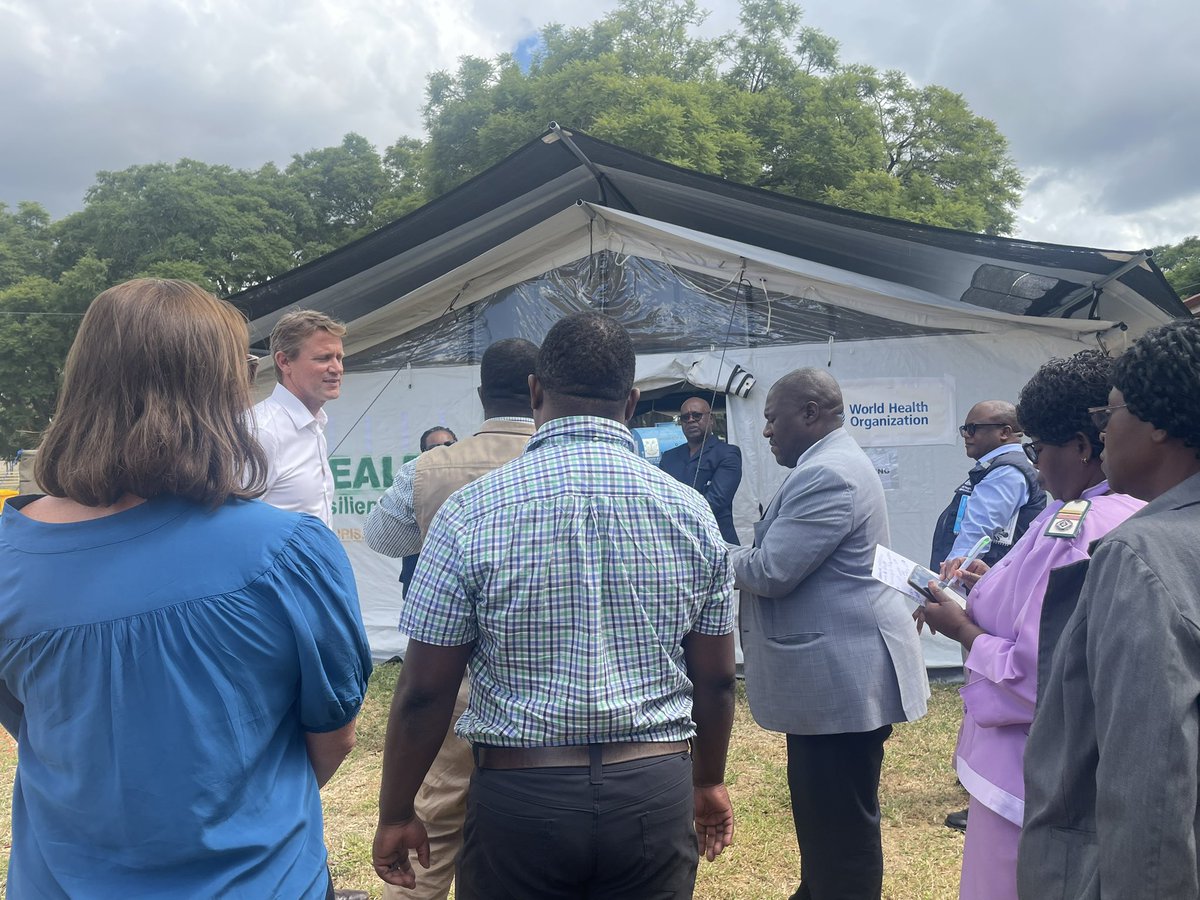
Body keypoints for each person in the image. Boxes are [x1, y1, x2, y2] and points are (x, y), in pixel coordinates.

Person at [0, 279, 372, 898]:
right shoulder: (289, 552)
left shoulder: (9, 555)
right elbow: (332, 736)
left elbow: (36, 725)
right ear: (219, 393)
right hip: (257, 880)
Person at [372, 312, 736, 898]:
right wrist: (708, 781)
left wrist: (395, 813)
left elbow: (424, 690)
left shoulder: (471, 511)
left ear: (537, 391)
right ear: (632, 401)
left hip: (520, 798)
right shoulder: (690, 512)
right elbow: (717, 681)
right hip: (652, 788)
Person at [916, 350, 1143, 900]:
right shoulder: (1080, 506)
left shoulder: (1084, 527)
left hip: (1031, 777)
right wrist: (994, 577)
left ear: (1085, 447)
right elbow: (1037, 590)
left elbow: (1042, 675)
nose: (1034, 467)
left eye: (1038, 450)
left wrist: (964, 632)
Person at [730, 367, 929, 900]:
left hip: (838, 683)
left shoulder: (828, 474)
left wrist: (711, 551)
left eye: (773, 419)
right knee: (827, 820)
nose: (768, 432)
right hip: (836, 680)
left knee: (840, 828)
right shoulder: (828, 463)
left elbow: (772, 571)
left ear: (810, 413)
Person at [1018, 319, 1200, 899]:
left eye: (1109, 414)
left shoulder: (1136, 556)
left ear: (1159, 424)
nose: (1101, 435)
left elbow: (1149, 778)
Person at [364, 339, 538, 900]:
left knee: (432, 835)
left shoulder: (431, 468)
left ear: (483, 395)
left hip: (454, 683)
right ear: (541, 389)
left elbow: (383, 537)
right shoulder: (571, 459)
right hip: (549, 689)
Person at [251, 309, 347, 525]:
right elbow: (230, 525)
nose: (337, 368)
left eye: (339, 357)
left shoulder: (314, 425)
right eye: (323, 358)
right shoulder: (261, 432)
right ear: (284, 362)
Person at [931, 400, 1046, 570]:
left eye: (972, 428)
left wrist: (949, 581)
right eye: (964, 429)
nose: (966, 435)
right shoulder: (1001, 466)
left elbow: (976, 531)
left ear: (1004, 432)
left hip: (974, 586)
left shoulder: (1007, 471)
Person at [659, 396, 743, 544]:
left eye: (697, 416)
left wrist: (674, 512)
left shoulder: (727, 453)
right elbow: (659, 497)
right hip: (677, 542)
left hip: (716, 542)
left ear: (711, 419)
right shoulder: (668, 457)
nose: (691, 420)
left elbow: (716, 500)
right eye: (685, 417)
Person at [397, 426, 459, 594]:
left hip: (458, 566)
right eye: (434, 448)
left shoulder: (469, 476)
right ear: (423, 453)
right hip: (420, 566)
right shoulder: (413, 479)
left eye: (449, 444)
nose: (443, 451)